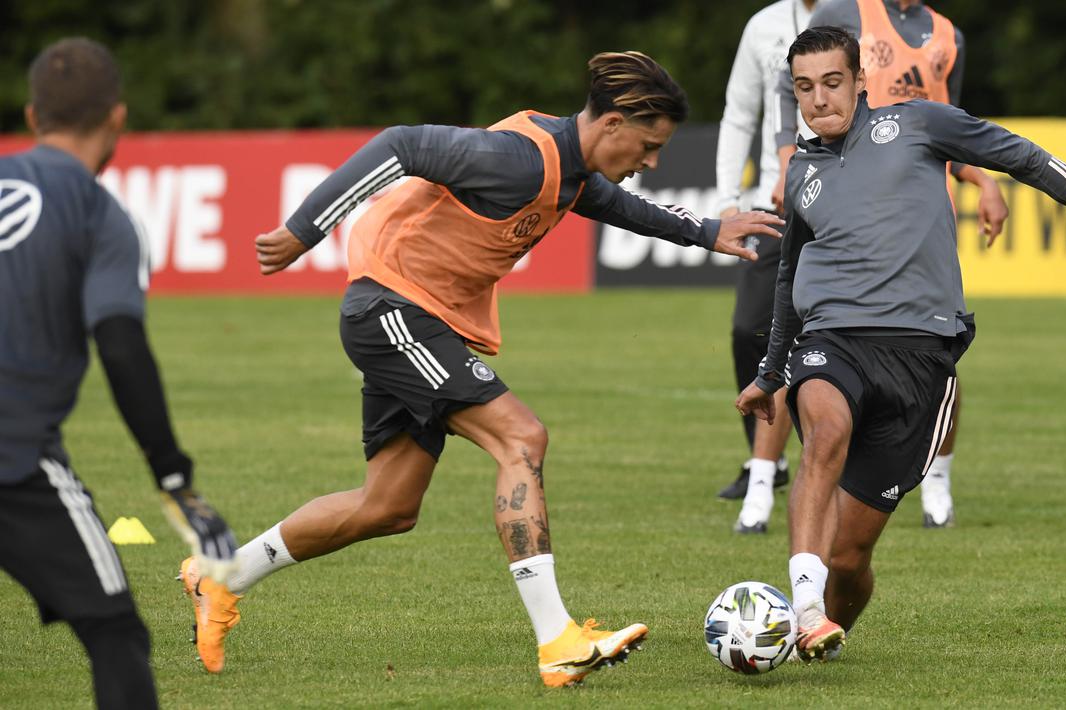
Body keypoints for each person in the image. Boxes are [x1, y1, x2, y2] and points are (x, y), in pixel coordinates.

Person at [176, 51, 782, 688]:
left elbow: (618, 207)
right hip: (392, 309)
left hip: (419, 318)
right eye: (648, 144)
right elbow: (401, 144)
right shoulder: (517, 159)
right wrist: (306, 229)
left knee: (388, 506)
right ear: (610, 125)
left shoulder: (572, 173)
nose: (652, 161)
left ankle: (222, 578)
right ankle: (557, 641)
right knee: (522, 438)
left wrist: (707, 230)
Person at [736, 26, 1066, 663]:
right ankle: (802, 605)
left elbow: (1024, 156)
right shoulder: (801, 175)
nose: (820, 99)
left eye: (832, 82)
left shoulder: (918, 124)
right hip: (834, 341)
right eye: (805, 88)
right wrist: (773, 370)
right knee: (823, 430)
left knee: (850, 560)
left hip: (921, 358)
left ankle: (824, 627)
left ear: (860, 81)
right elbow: (789, 274)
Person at [0, 38, 237, 710]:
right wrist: (173, 476)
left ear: (31, 114)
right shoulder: (101, 216)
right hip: (14, 460)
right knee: (114, 632)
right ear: (118, 119)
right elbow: (122, 346)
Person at [772, 0, 1011, 528]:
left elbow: (956, 123)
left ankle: (938, 482)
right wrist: (788, 158)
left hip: (920, 206)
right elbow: (795, 78)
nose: (818, 92)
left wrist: (982, 179)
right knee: (820, 364)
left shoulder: (948, 35)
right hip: (839, 185)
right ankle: (767, 482)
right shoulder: (844, 12)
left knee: (925, 340)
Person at [714, 0, 823, 533]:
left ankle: (795, 465)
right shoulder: (763, 24)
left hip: (839, 198)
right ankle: (770, 458)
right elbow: (741, 111)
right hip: (773, 201)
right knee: (748, 330)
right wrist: (728, 197)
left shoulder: (861, 15)